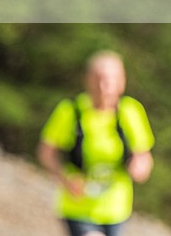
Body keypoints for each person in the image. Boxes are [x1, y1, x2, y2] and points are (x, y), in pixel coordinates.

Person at [38, 51, 155, 236]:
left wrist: (140, 168)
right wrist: (64, 178)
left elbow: (144, 156)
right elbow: (46, 153)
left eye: (110, 80)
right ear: (87, 80)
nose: (103, 86)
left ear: (121, 82)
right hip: (77, 206)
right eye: (98, 79)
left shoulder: (131, 111)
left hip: (117, 208)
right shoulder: (70, 111)